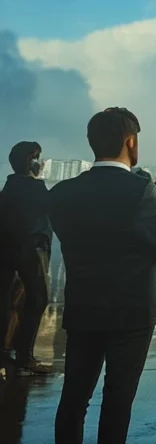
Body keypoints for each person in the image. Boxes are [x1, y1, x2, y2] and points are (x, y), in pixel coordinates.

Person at [51, 108, 156, 444]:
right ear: (131, 142)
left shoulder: (63, 193)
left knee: (74, 397)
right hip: (132, 309)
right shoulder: (140, 189)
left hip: (83, 304)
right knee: (118, 398)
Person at [0, 141, 53, 376]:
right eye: (39, 158)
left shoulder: (8, 189)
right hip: (32, 250)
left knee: (3, 300)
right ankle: (24, 355)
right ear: (31, 162)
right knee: (38, 299)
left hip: (5, 249)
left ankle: (4, 354)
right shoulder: (37, 190)